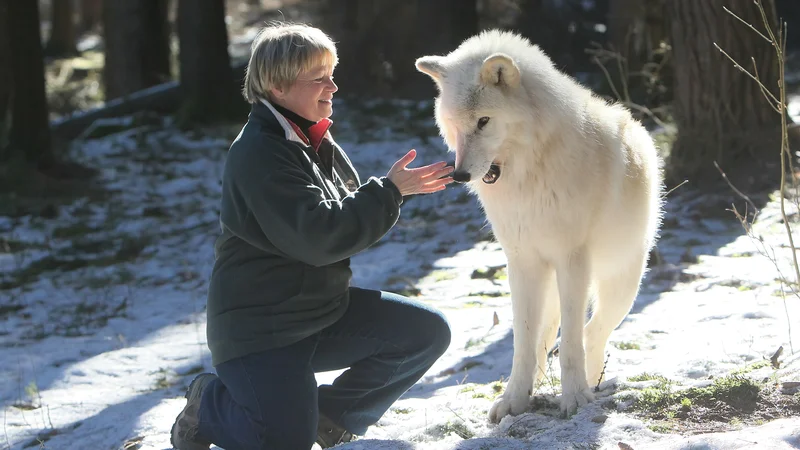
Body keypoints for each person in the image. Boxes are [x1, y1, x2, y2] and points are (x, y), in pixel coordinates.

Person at [170, 22, 454, 450]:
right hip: (262, 330)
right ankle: (208, 404)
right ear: (278, 86)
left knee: (424, 333)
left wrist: (395, 192)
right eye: (319, 78)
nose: (334, 86)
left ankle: (328, 418)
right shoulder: (260, 153)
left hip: (320, 312)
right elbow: (318, 237)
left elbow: (339, 215)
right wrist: (390, 191)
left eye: (332, 73)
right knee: (282, 443)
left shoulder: (310, 135)